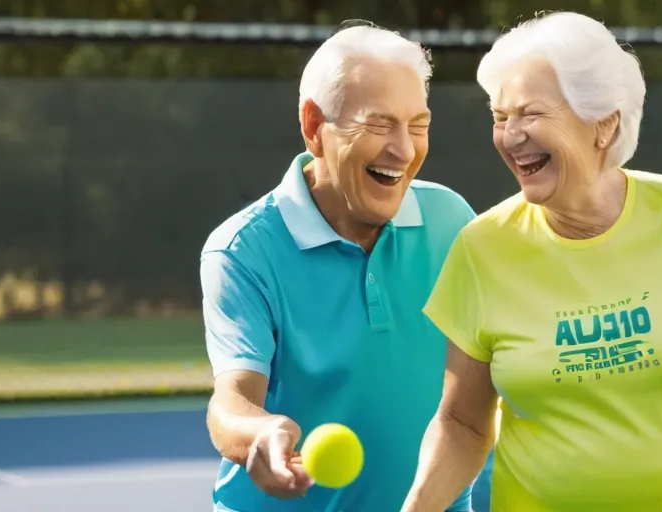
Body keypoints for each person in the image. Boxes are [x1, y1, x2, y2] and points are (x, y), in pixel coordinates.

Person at [400, 11, 662, 512]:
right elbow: (463, 423)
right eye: (500, 117)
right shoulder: (481, 248)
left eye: (530, 114)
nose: (510, 135)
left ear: (604, 124)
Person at [200, 21, 479, 512]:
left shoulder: (454, 221)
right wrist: (261, 432)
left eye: (418, 125)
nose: (405, 149)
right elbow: (231, 403)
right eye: (378, 124)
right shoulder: (241, 250)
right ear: (313, 126)